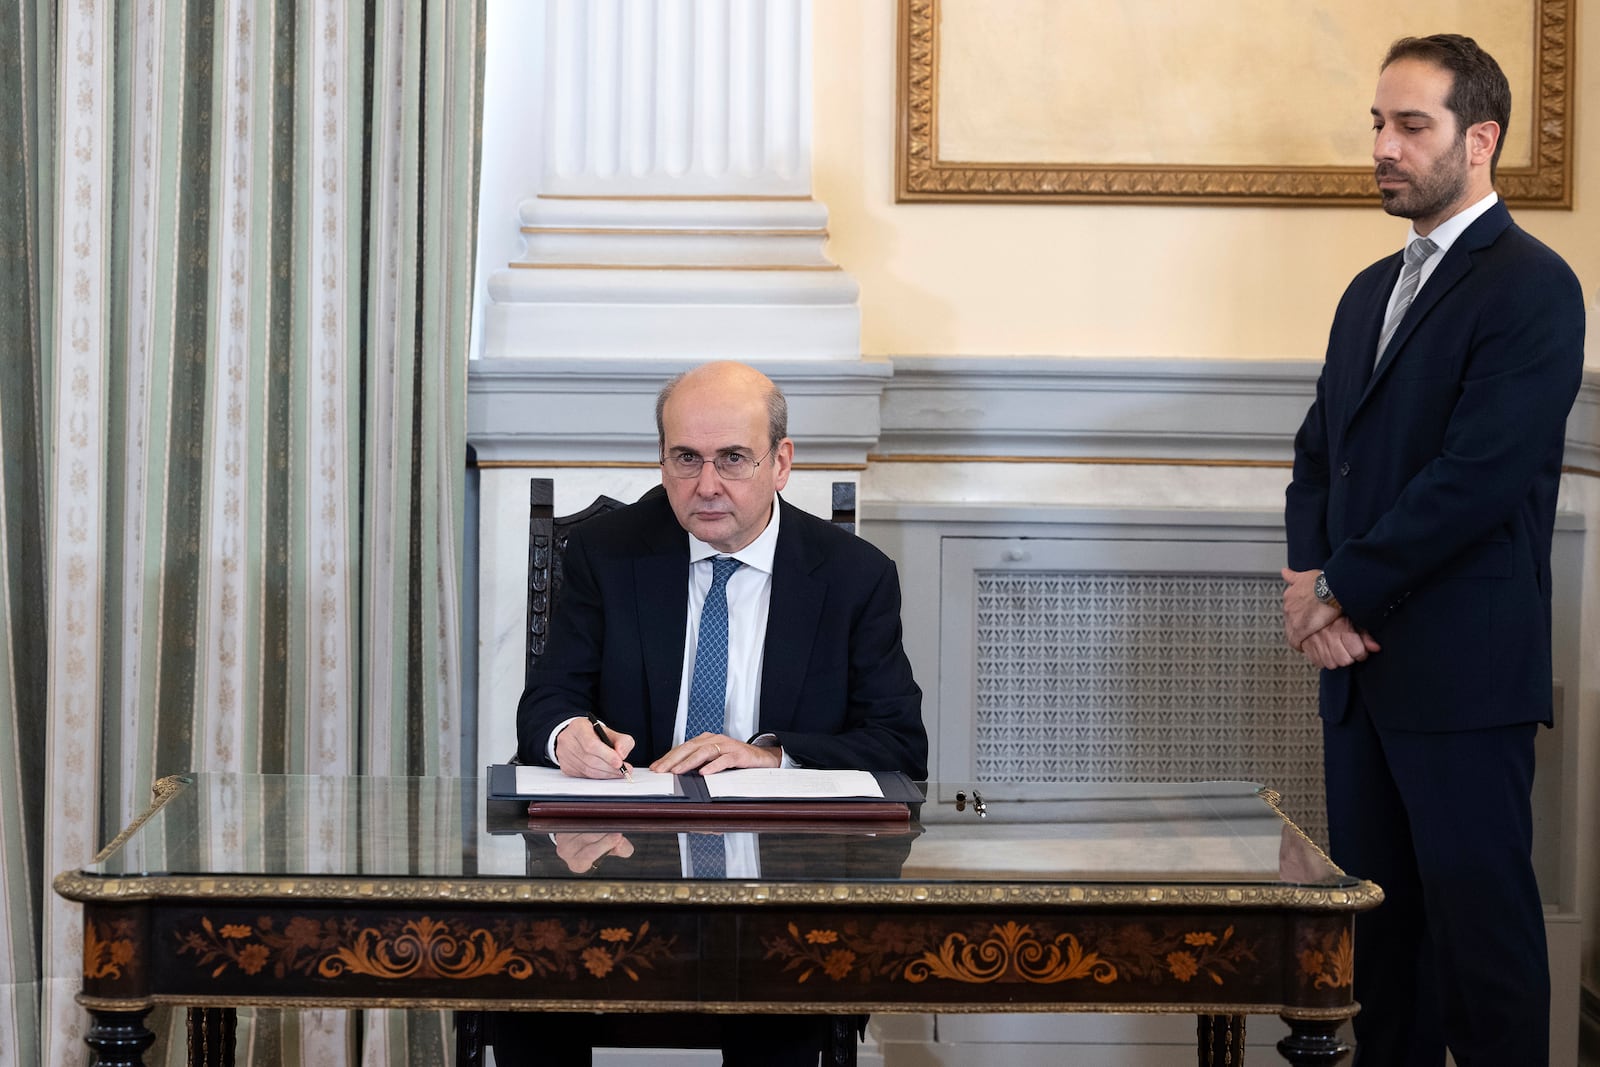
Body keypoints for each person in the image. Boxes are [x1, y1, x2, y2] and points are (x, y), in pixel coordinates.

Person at [1282, 34, 1584, 1067]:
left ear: (1480, 138)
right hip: (1358, 676)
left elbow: (1477, 478)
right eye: (1378, 123)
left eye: (1411, 125)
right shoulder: (1367, 289)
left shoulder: (1533, 286)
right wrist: (1307, 584)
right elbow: (1318, 454)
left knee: (1482, 946)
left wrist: (1335, 586)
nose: (1384, 146)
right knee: (1379, 951)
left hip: (1462, 673)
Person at [497, 359, 928, 1067]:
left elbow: (898, 746)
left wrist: (770, 754)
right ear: (661, 460)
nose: (706, 485)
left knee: (781, 990)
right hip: (619, 866)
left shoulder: (853, 575)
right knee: (524, 978)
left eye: (732, 458)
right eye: (685, 459)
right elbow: (547, 701)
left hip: (783, 881)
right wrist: (568, 736)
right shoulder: (607, 553)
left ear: (780, 462)